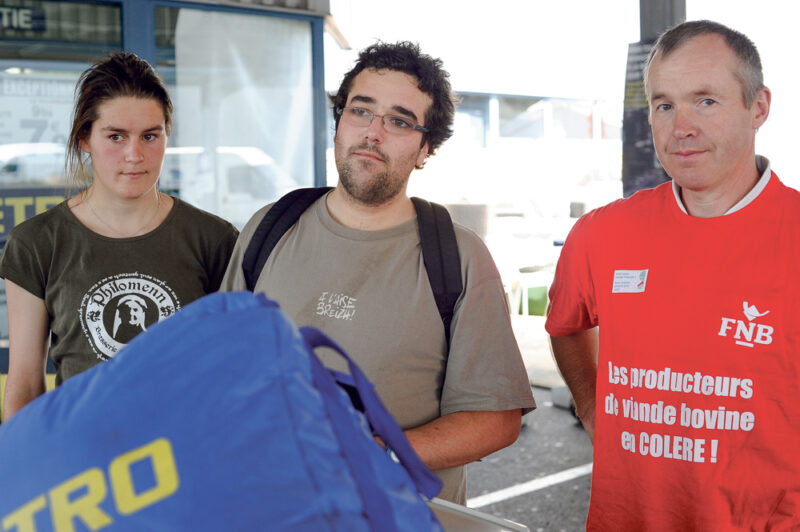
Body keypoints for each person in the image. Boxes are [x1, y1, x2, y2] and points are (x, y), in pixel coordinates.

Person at [221, 41, 535, 504]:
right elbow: (222, 366)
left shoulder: (458, 256)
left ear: (426, 148)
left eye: (400, 121)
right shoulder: (270, 226)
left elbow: (496, 419)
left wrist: (379, 453)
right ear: (338, 123)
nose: (373, 132)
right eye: (361, 111)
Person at [546, 20, 800, 529]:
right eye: (664, 105)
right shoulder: (601, 233)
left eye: (705, 101)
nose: (680, 127)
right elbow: (567, 324)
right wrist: (594, 408)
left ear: (759, 107)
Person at [0, 52, 239, 421]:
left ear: (166, 136)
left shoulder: (213, 238)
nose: (134, 155)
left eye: (149, 136)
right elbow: (26, 386)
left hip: (188, 456)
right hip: (84, 459)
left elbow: (234, 371)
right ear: (85, 138)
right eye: (116, 136)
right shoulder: (37, 243)